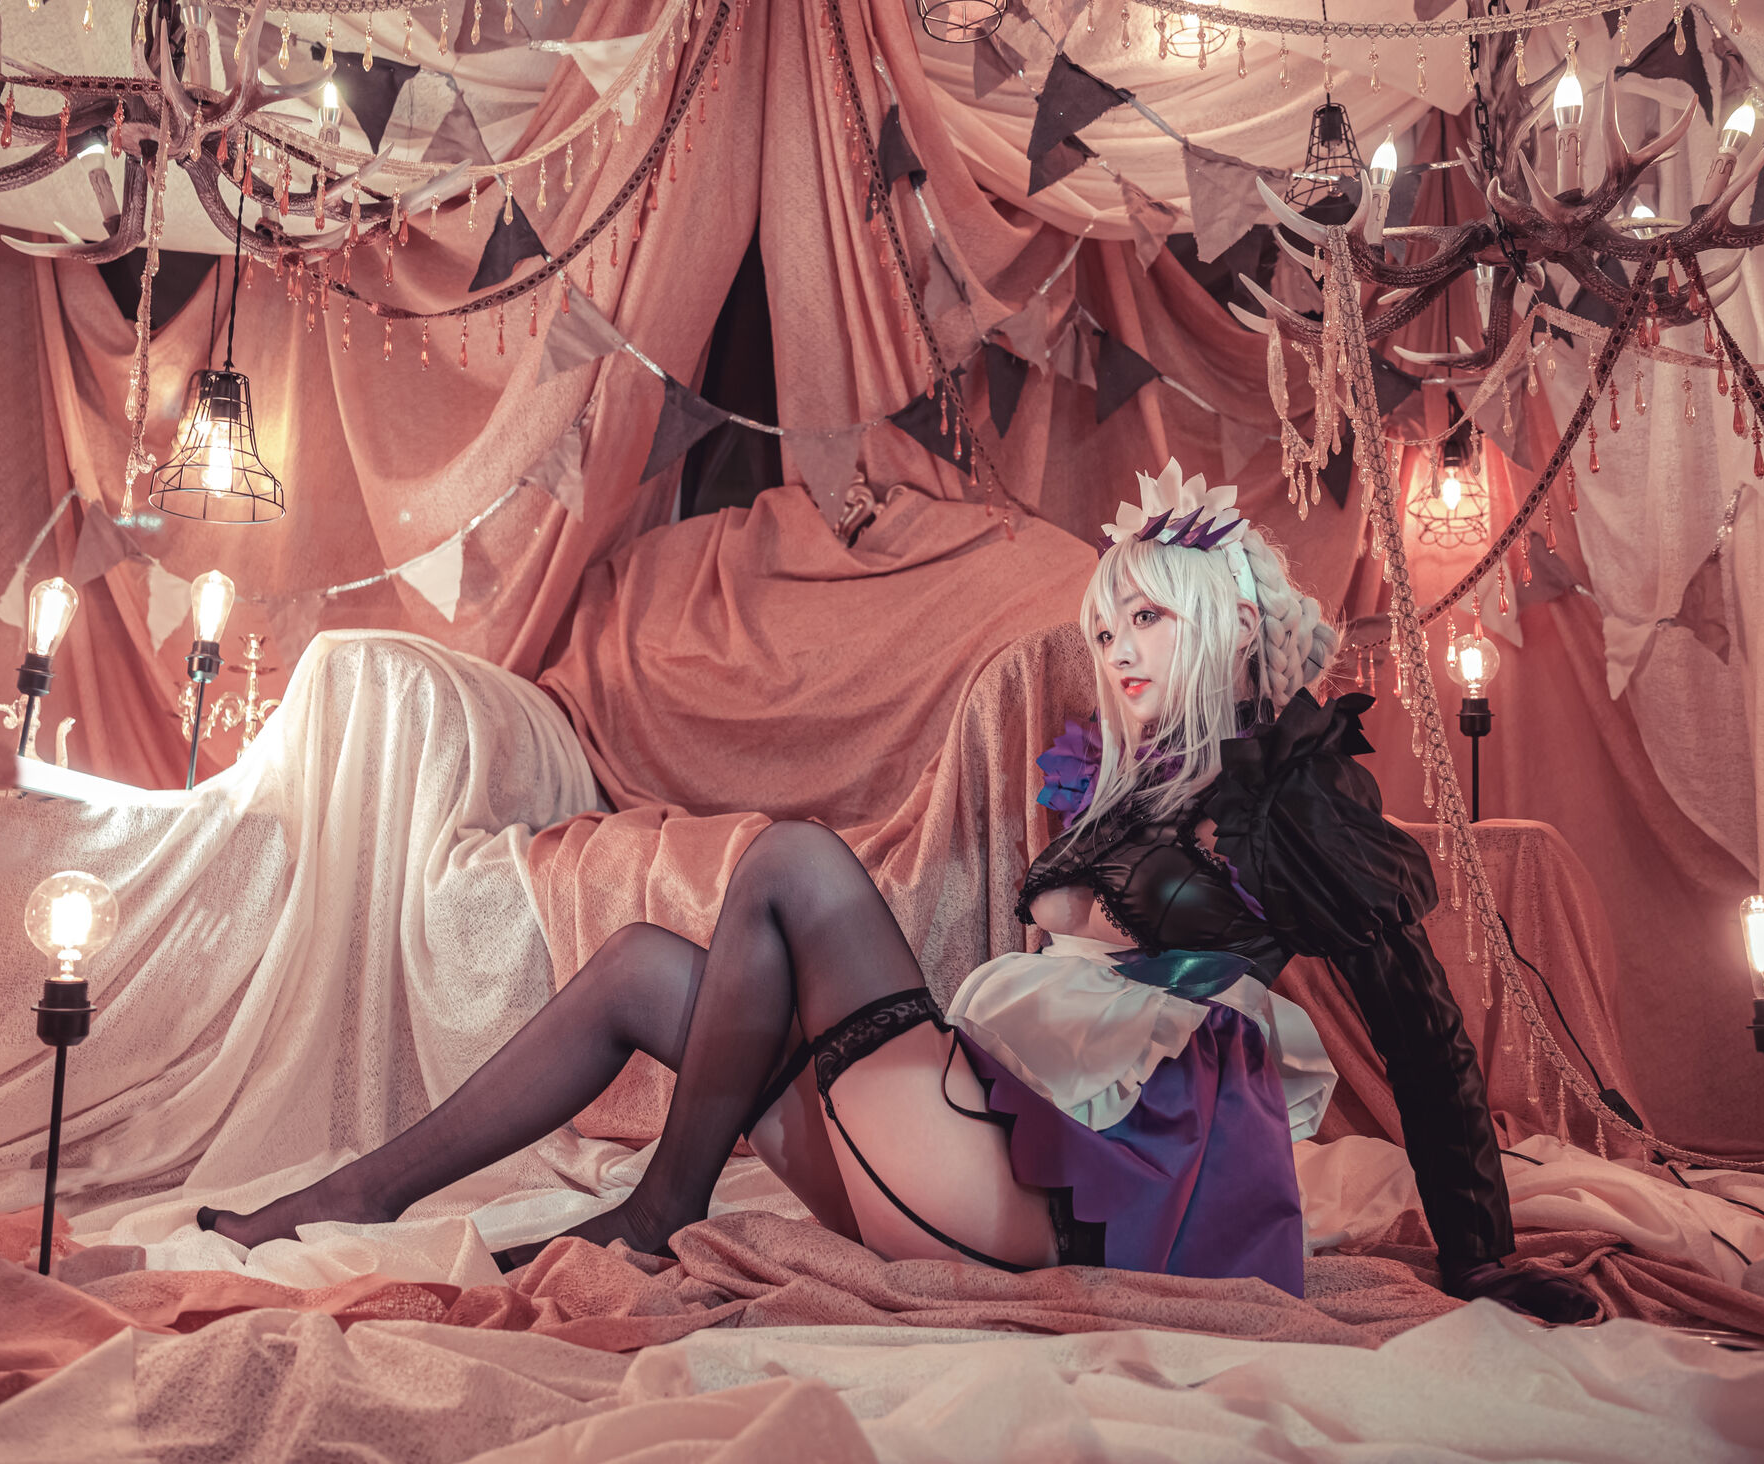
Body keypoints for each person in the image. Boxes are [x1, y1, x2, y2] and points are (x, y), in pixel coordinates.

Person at [201, 463, 1596, 1322]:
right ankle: (344, 1198)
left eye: (1147, 619)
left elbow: (1420, 1025)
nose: (1115, 648)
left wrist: (1479, 1257)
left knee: (795, 863)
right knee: (637, 963)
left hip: (1080, 1198)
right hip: (963, 1157)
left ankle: (659, 1210)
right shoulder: (1118, 784)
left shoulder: (1291, 789)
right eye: (1106, 621)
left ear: (1228, 627)